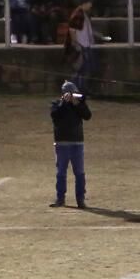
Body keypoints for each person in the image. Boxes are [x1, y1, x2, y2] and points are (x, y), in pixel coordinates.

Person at [49, 80, 91, 209]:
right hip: (61, 144)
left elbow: (87, 116)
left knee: (79, 173)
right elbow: (55, 115)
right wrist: (64, 103)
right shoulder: (56, 104)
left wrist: (77, 104)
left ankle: (80, 200)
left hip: (77, 143)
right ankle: (60, 198)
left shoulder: (79, 104)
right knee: (61, 173)